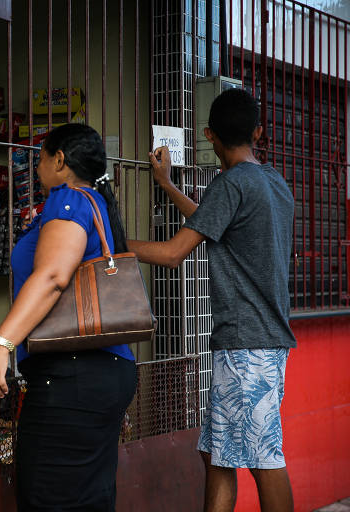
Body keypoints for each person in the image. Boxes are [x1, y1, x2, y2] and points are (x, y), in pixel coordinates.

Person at [127, 88, 296, 512]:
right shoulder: (273, 182)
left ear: (209, 135)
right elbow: (213, 221)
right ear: (258, 131)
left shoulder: (230, 184)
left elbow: (172, 253)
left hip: (246, 345)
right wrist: (166, 184)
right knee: (218, 456)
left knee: (263, 459)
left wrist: (106, 245)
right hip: (261, 342)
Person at [0, 123, 137, 511]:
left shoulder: (68, 199)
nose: (37, 168)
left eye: (42, 158)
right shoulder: (95, 201)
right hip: (101, 372)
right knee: (86, 499)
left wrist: (1, 346)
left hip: (72, 375)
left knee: (48, 497)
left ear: (60, 160)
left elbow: (52, 277)